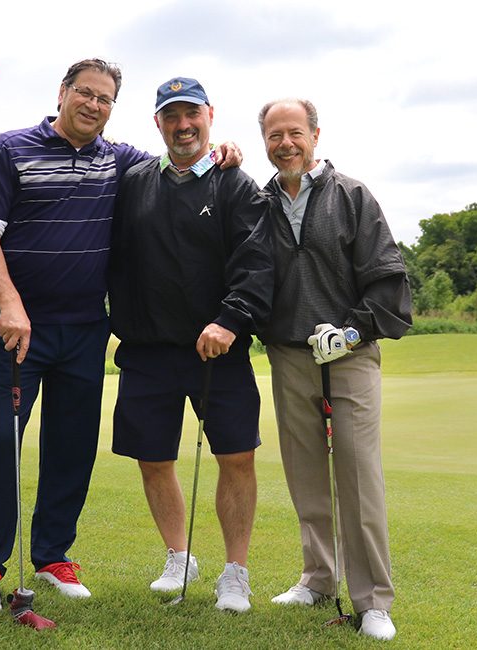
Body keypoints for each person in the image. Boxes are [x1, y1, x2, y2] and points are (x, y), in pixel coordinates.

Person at [0, 61, 243, 610]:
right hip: (19, 328)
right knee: (2, 440)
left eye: (105, 99)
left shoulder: (119, 160)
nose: (93, 105)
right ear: (62, 93)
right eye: (85, 94)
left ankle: (51, 555)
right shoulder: (11, 148)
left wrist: (221, 152)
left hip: (87, 329)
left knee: (71, 446)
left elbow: (179, 162)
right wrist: (10, 304)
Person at [108, 77, 272, 613]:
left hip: (216, 349)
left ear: (210, 115)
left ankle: (235, 572)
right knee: (153, 460)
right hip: (148, 349)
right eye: (171, 116)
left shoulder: (236, 184)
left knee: (236, 456)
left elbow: (256, 262)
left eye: (192, 115)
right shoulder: (134, 180)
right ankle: (179, 557)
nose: (183, 126)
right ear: (157, 122)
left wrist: (230, 320)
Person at [256, 98, 412, 640]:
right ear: (265, 142)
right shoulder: (259, 201)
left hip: (349, 354)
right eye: (275, 136)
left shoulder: (351, 195)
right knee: (305, 475)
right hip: (289, 355)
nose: (286, 144)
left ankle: (372, 601)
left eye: (295, 133)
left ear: (316, 135)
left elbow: (388, 282)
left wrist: (351, 330)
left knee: (359, 477)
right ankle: (318, 578)